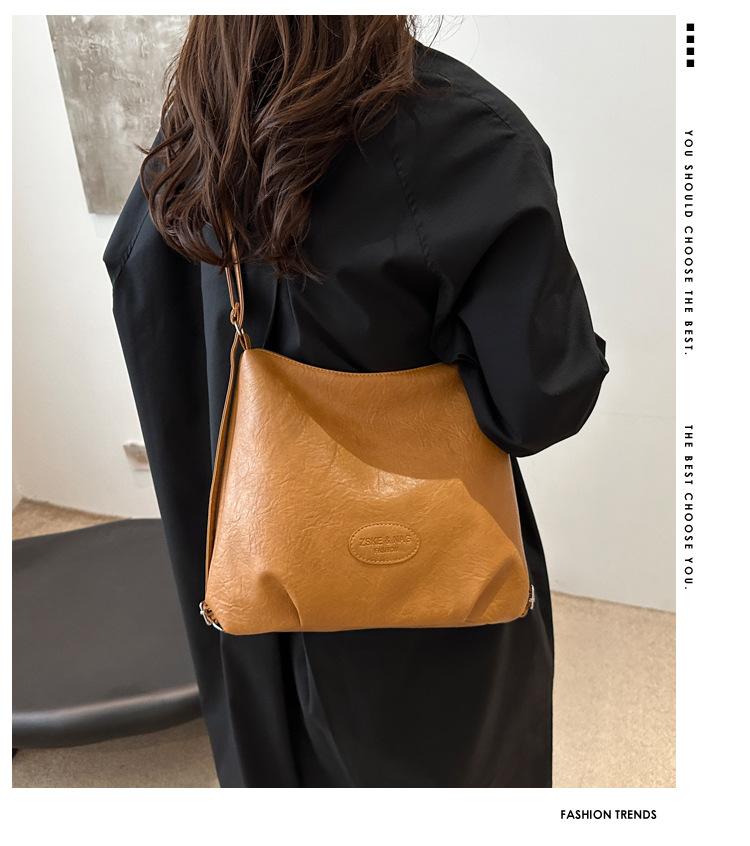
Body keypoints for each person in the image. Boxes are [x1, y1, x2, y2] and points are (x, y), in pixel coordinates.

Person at [104, 15, 608, 787]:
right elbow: (541, 401)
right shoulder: (466, 138)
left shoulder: (196, 129)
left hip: (243, 585)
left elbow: (149, 318)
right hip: (419, 624)